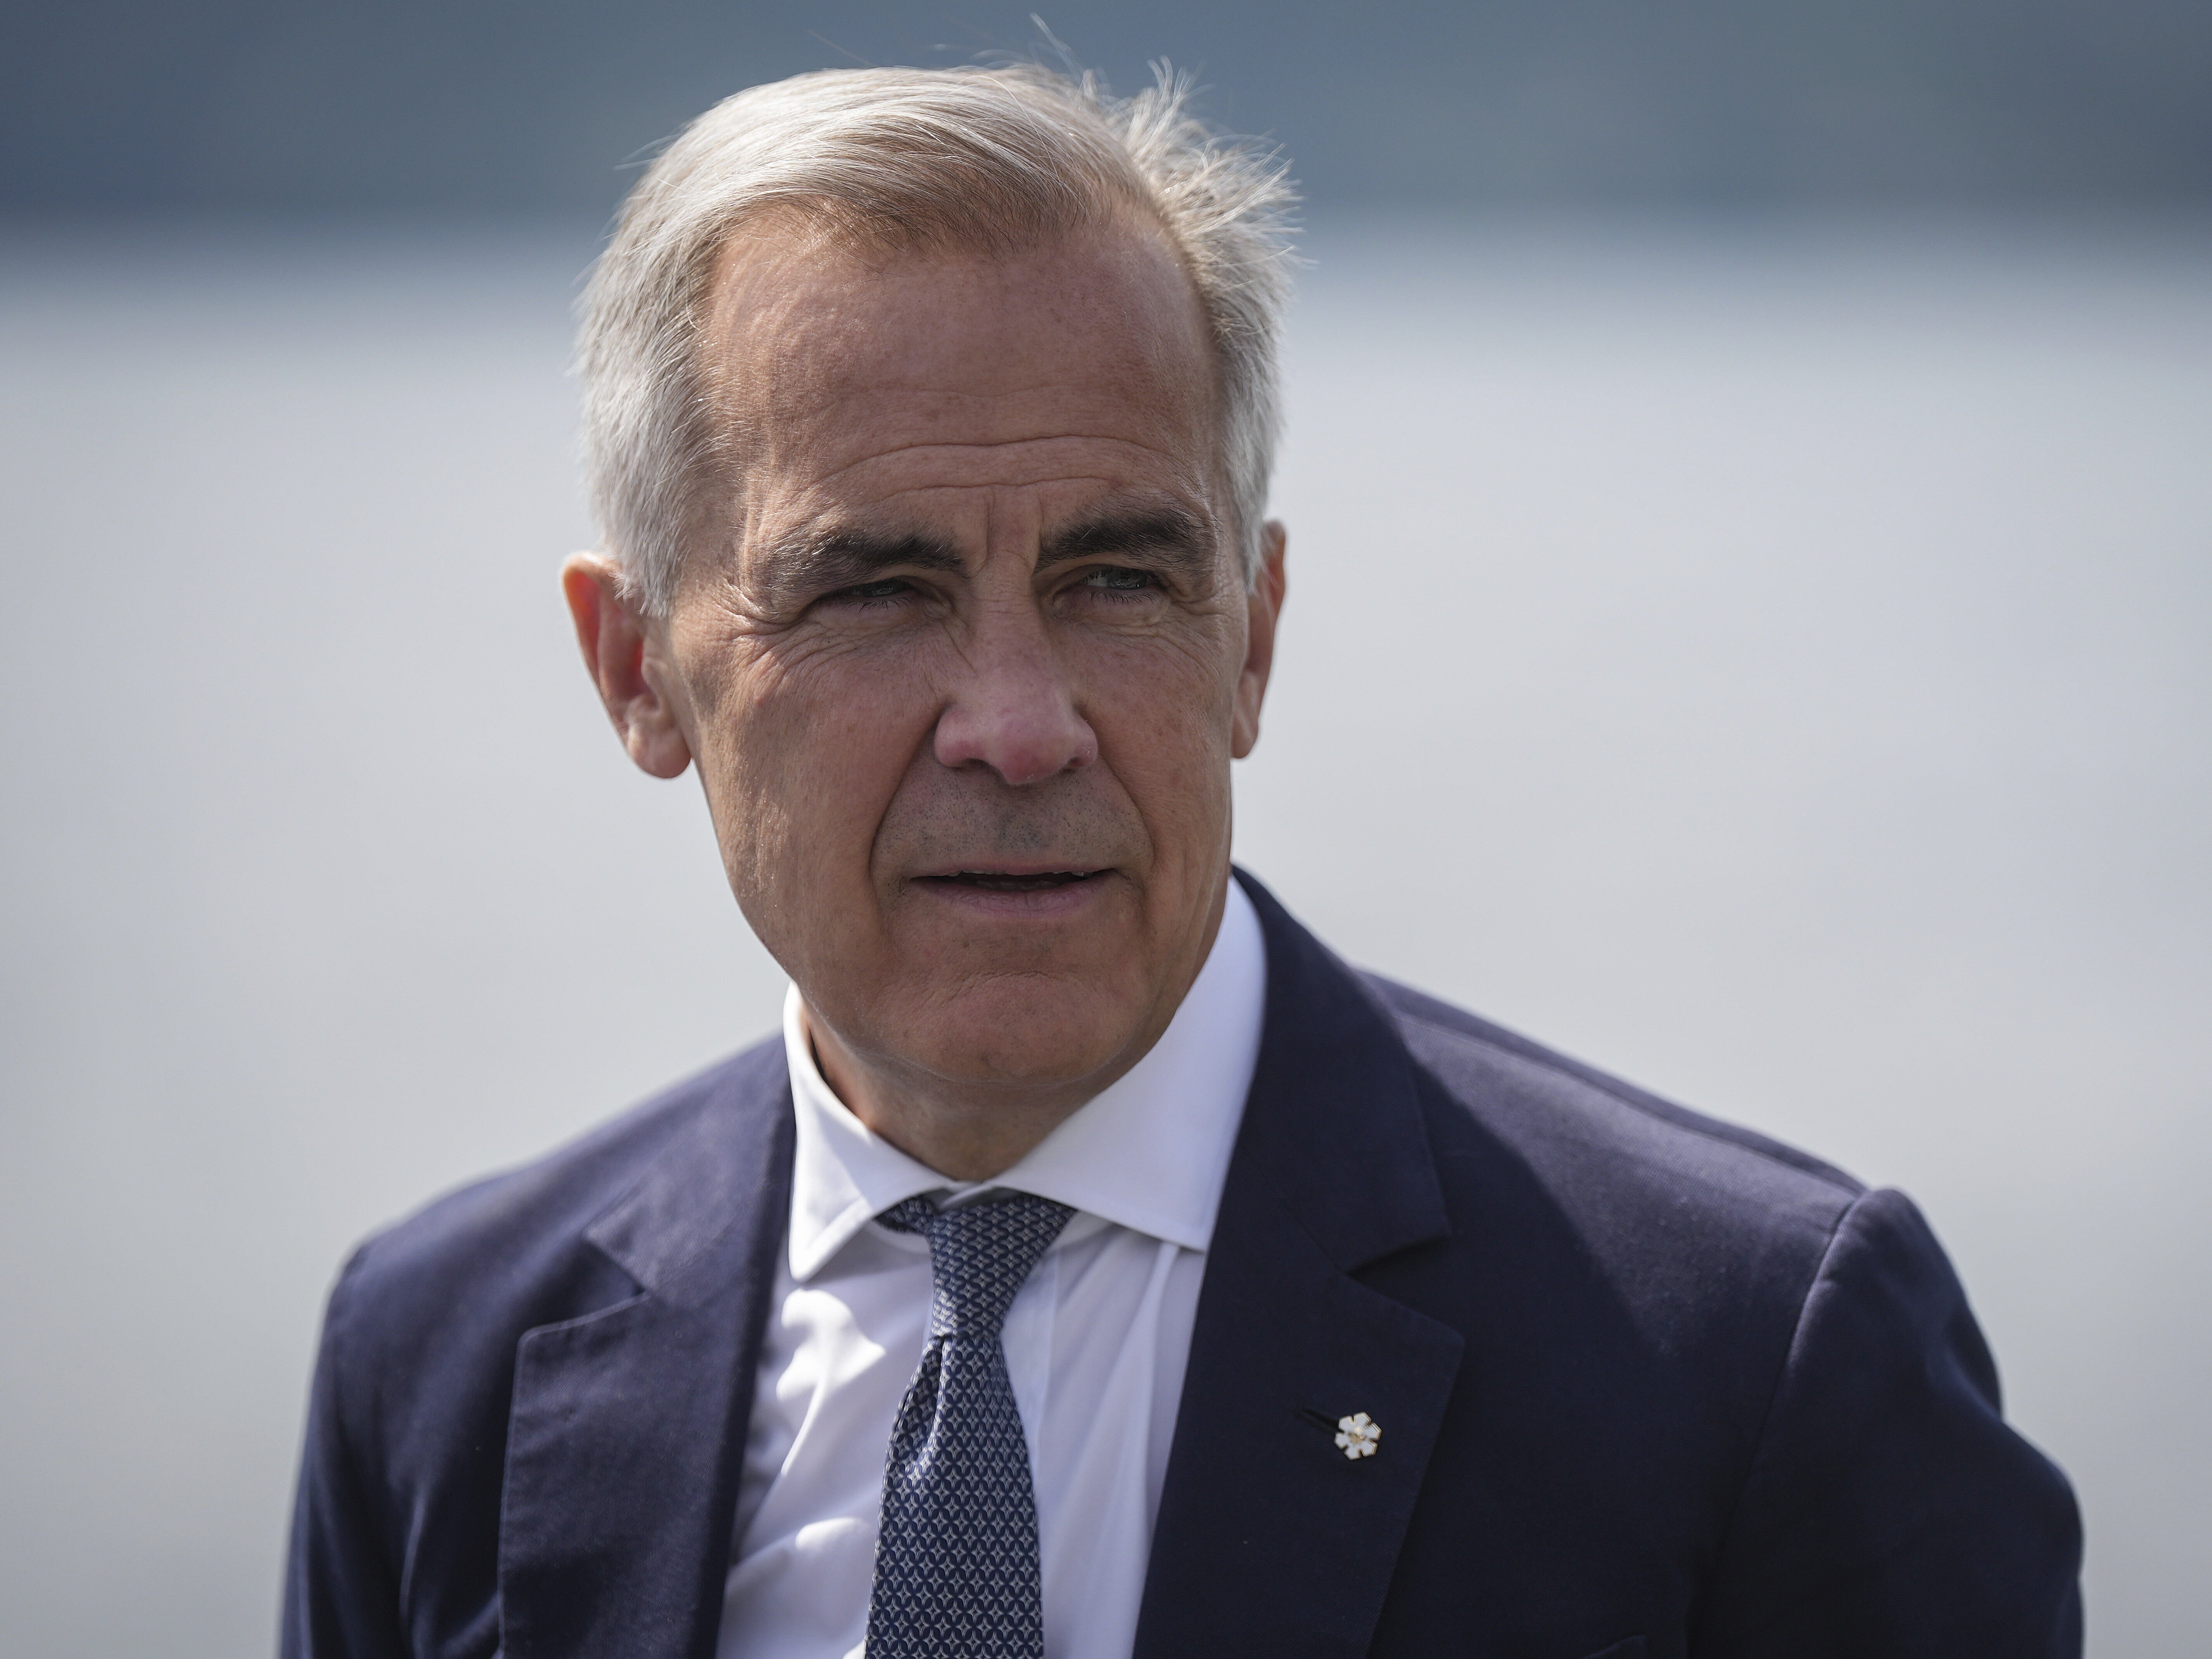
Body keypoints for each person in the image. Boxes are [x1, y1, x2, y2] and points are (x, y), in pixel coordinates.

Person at [282, 63, 2082, 1659]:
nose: (1018, 722)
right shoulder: (439, 1357)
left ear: (1254, 637)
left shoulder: (1760, 1357)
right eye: (877, 588)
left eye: (1118, 580)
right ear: (637, 671)